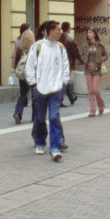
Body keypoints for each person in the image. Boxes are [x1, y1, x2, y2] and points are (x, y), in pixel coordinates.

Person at [25, 20, 70, 161]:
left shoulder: (61, 47)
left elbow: (65, 66)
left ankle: (55, 148)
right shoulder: (37, 47)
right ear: (50, 31)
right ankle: (39, 142)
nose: (60, 32)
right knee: (39, 118)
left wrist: (63, 83)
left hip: (56, 89)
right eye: (57, 29)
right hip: (40, 89)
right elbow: (30, 66)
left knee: (53, 117)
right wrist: (34, 85)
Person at [82, 27, 108, 117]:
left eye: (90, 32)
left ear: (95, 34)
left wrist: (101, 59)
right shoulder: (85, 45)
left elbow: (105, 55)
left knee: (96, 89)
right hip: (88, 70)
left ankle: (101, 105)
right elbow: (82, 55)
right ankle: (92, 111)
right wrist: (83, 60)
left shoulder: (100, 45)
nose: (88, 34)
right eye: (88, 33)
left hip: (97, 70)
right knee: (90, 91)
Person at [12, 28, 35, 124]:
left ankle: (18, 113)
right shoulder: (35, 48)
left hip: (22, 74)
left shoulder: (19, 48)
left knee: (22, 94)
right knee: (35, 95)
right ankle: (35, 116)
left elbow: (16, 61)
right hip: (32, 74)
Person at [60, 22, 83, 107]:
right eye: (70, 28)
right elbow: (76, 53)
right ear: (68, 28)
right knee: (65, 82)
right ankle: (60, 100)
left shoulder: (58, 38)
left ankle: (71, 97)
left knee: (64, 81)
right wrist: (82, 61)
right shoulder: (70, 40)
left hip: (58, 64)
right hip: (68, 64)